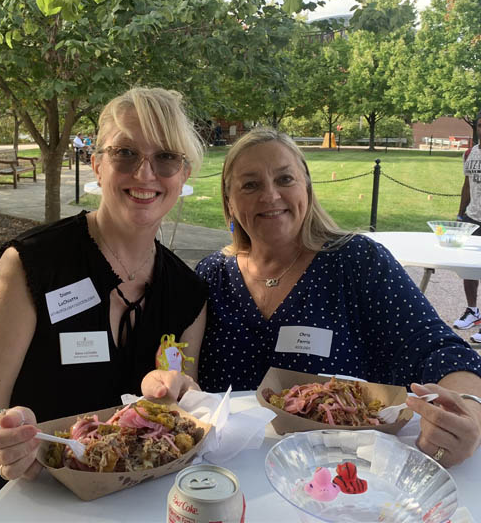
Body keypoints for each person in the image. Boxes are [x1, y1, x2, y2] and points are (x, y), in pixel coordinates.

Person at [0, 87, 207, 522]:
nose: (145, 173)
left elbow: (178, 411)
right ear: (97, 165)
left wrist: (179, 394)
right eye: (125, 153)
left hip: (96, 507)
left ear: (183, 174)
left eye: (166, 158)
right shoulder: (32, 265)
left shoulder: (188, 295)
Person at [143, 128, 481, 468]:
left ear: (306, 186)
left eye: (284, 179)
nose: (270, 195)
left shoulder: (357, 263)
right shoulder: (212, 276)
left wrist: (468, 413)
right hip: (227, 478)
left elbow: (443, 351)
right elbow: (184, 379)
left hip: (333, 485)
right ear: (229, 201)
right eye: (250, 185)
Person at [453, 118, 481, 336]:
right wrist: (460, 213)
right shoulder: (470, 153)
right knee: (469, 268)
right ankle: (473, 311)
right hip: (473, 218)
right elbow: (467, 185)